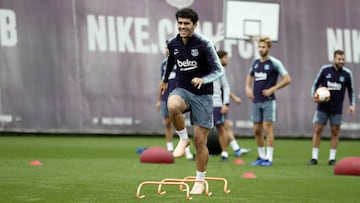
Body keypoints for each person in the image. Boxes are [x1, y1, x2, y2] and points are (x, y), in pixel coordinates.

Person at [159, 8, 224, 194]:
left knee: (200, 141)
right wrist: (164, 81)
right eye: (180, 23)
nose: (182, 26)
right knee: (172, 105)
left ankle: (199, 181)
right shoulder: (173, 43)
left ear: (195, 25)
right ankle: (182, 139)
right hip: (182, 89)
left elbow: (219, 70)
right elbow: (171, 62)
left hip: (203, 95)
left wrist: (204, 79)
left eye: (186, 23)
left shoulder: (204, 44)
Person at [245, 36, 291, 167]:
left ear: (269, 48)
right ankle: (261, 156)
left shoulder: (275, 63)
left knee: (267, 128)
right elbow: (250, 76)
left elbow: (287, 79)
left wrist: (273, 89)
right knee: (256, 130)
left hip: (269, 101)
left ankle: (269, 158)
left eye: (263, 47)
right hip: (256, 101)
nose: (261, 49)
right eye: (259, 47)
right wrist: (247, 87)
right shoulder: (255, 63)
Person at [308, 50, 355, 166]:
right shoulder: (325, 70)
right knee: (318, 130)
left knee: (335, 132)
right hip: (322, 107)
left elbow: (351, 91)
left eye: (343, 59)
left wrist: (352, 104)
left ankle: (332, 159)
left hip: (337, 109)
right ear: (334, 59)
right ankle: (314, 158)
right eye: (339, 59)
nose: (341, 61)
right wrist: (314, 96)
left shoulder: (347, 74)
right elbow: (315, 84)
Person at [156, 41, 194, 159]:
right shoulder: (163, 64)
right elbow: (162, 83)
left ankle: (187, 151)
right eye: (166, 48)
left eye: (170, 48)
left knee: (180, 123)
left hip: (178, 98)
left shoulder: (181, 62)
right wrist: (158, 100)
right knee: (167, 123)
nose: (167, 50)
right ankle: (169, 149)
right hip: (165, 97)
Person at [215, 50, 251, 160]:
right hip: (214, 103)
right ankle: (236, 149)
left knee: (225, 127)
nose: (228, 60)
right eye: (226, 58)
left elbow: (225, 87)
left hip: (219, 103)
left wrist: (229, 100)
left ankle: (232, 150)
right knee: (224, 127)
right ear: (220, 58)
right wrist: (233, 99)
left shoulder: (220, 71)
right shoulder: (212, 69)